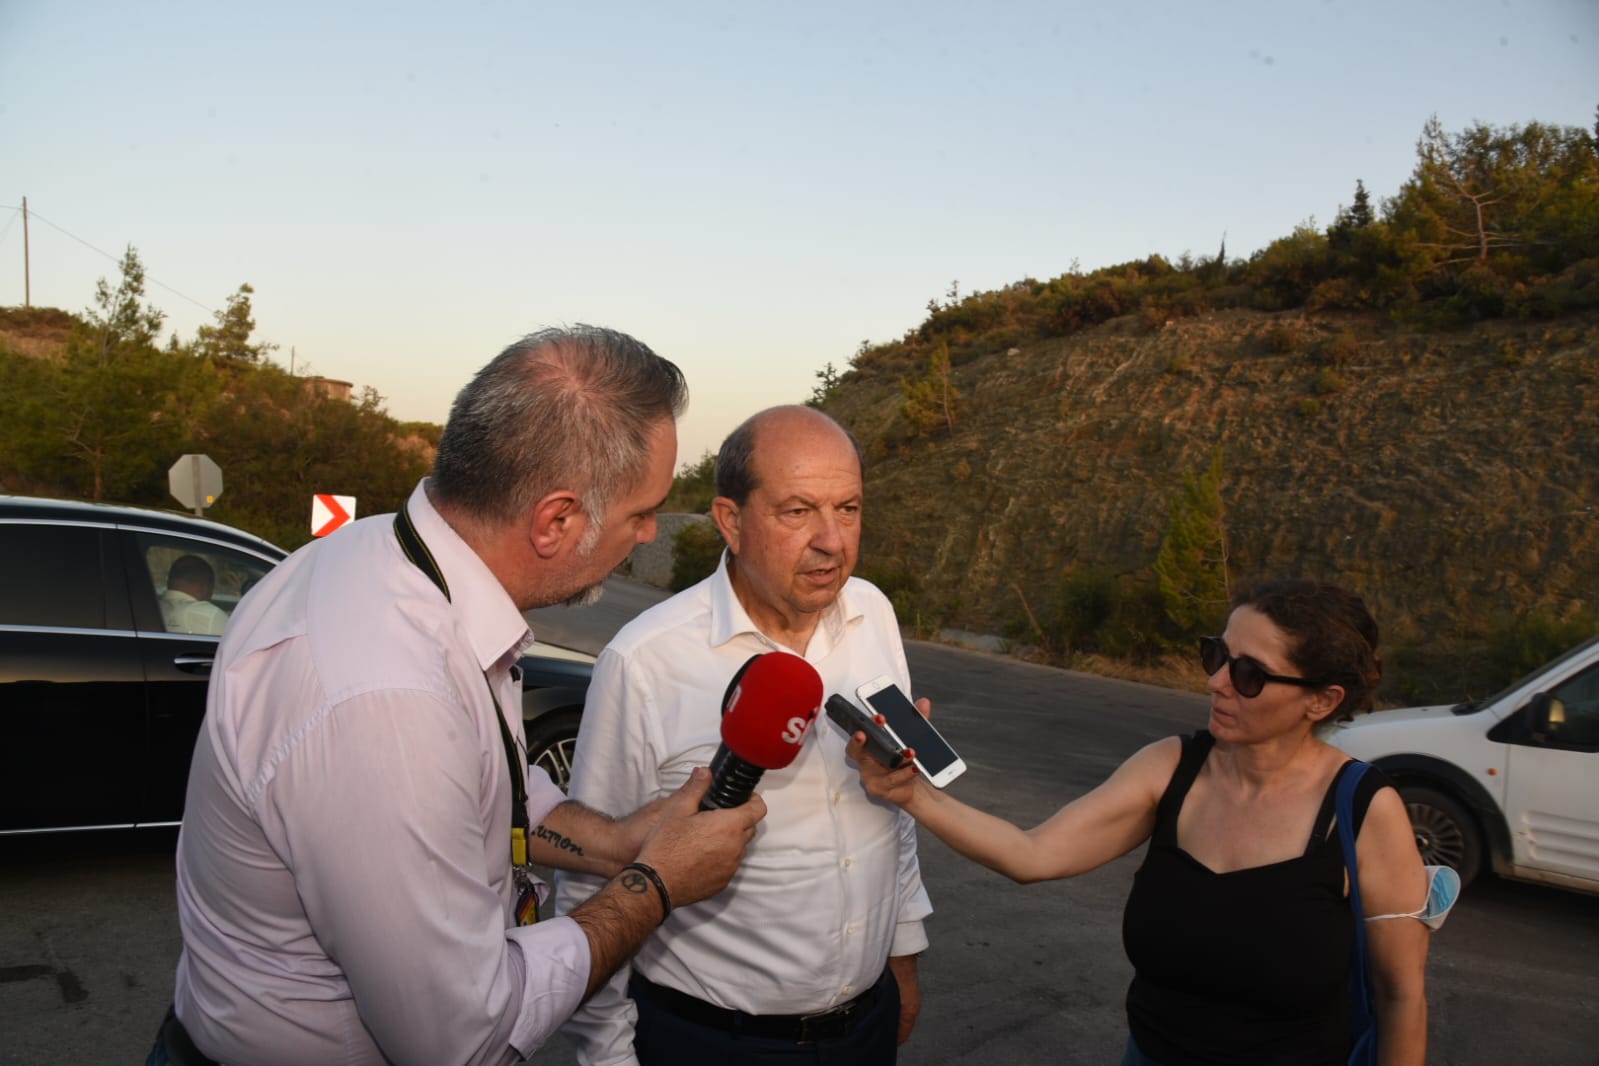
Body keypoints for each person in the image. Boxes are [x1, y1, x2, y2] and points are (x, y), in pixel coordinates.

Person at [153, 327, 766, 1066]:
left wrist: (617, 842)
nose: (646, 535)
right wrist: (655, 884)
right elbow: (459, 1041)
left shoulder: (383, 553)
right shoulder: (389, 703)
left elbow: (482, 784)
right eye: (642, 513)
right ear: (557, 520)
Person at [847, 579, 1433, 1066]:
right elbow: (1034, 854)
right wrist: (913, 795)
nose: (1216, 681)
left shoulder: (1362, 810)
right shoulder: (1171, 767)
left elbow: (1400, 997)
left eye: (1249, 674)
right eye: (1217, 656)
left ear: (1322, 700)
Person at [556, 405, 933, 1065]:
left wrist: (902, 953)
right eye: (798, 511)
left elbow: (890, 810)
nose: (832, 541)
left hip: (865, 1027)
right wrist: (607, 1055)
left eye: (848, 509)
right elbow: (592, 875)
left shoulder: (873, 612)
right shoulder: (645, 660)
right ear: (730, 521)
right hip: (710, 1042)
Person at [159, 554, 230, 635]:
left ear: (169, 581)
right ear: (203, 587)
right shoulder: (211, 616)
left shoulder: (151, 610)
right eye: (212, 588)